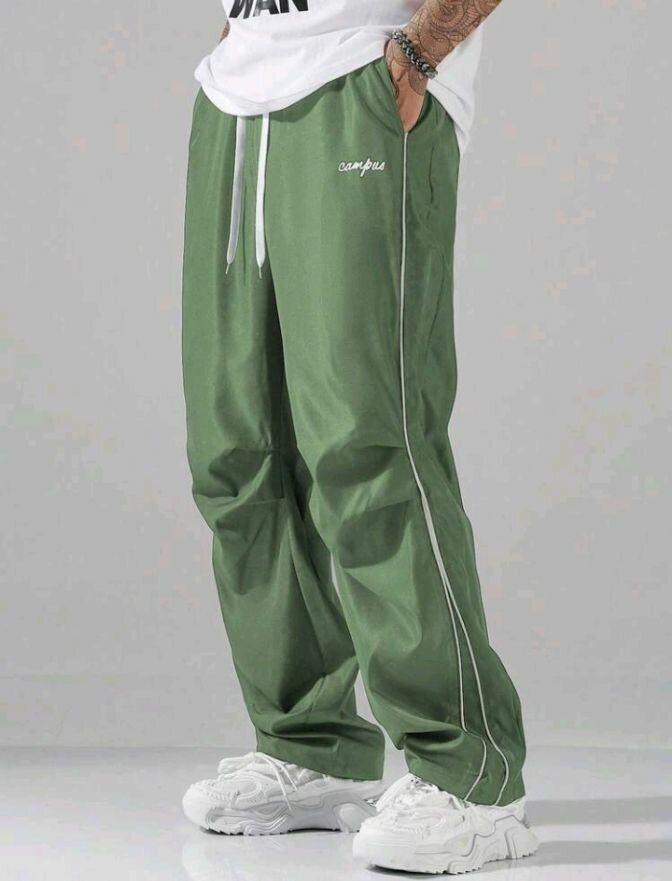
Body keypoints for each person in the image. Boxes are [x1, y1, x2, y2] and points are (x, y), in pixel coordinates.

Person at [180, 0, 538, 874]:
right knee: (238, 450)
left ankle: (470, 774)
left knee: (369, 441)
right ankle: (312, 744)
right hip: (237, 100)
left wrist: (423, 48)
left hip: (362, 80)